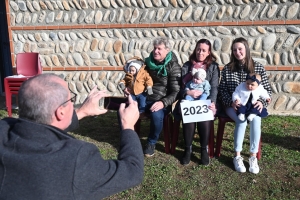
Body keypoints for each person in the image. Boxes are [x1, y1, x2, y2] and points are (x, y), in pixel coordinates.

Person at [0, 73, 144, 200]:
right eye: (71, 100)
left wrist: (81, 112)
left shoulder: (4, 128)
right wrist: (128, 126)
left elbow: (39, 130)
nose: (72, 103)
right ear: (60, 112)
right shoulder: (75, 158)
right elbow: (132, 170)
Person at [218, 37, 272, 174]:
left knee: (256, 119)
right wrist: (230, 102)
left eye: (240, 49)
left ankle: (253, 156)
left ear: (246, 50)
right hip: (233, 105)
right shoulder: (227, 69)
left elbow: (267, 90)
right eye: (234, 50)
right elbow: (222, 90)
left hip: (253, 105)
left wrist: (262, 102)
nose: (237, 52)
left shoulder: (258, 67)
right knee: (241, 120)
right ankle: (237, 155)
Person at [123, 37, 181, 157]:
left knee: (156, 114)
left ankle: (151, 142)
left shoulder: (173, 66)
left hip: (162, 100)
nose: (156, 51)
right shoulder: (147, 63)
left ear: (167, 50)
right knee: (126, 107)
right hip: (144, 97)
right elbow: (137, 80)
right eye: (155, 48)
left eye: (159, 49)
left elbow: (176, 91)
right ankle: (128, 138)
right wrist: (130, 88)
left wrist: (163, 103)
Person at [174, 39, 220, 166]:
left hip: (205, 101)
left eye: (204, 50)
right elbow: (178, 88)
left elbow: (214, 87)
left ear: (209, 52)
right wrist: (188, 93)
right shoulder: (186, 66)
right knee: (188, 116)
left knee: (204, 117)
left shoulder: (213, 67)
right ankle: (188, 149)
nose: (200, 52)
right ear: (195, 49)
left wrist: (212, 102)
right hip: (187, 99)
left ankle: (203, 149)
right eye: (198, 49)